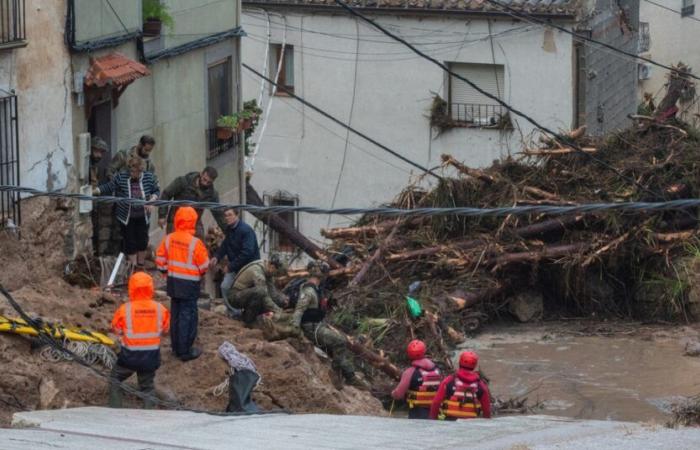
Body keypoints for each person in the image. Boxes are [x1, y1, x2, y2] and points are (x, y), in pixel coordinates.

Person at [274, 262, 364, 387]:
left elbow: (314, 307)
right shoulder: (309, 290)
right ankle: (337, 375)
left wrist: (327, 304)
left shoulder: (316, 289)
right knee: (340, 341)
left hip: (318, 325)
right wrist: (295, 330)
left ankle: (349, 374)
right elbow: (299, 310)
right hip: (311, 328)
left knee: (340, 342)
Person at [155, 206, 210, 361]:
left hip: (173, 282)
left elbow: (159, 261)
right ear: (193, 221)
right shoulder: (195, 243)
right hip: (190, 284)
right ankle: (185, 351)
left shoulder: (169, 238)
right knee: (188, 316)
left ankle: (175, 347)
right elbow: (204, 265)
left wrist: (166, 272)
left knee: (176, 315)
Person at [109, 272, 170, 409]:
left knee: (115, 379)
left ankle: (114, 413)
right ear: (150, 288)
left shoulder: (125, 309)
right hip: (150, 357)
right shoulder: (160, 309)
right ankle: (149, 417)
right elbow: (166, 330)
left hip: (129, 357)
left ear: (131, 288)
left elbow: (116, 329)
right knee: (147, 387)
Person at [94, 155, 160, 268]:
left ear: (140, 170)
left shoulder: (149, 177)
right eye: (131, 171)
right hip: (126, 217)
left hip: (143, 216)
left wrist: (151, 200)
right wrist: (96, 191)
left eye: (135, 172)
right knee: (130, 242)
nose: (132, 174)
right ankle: (133, 267)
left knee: (142, 241)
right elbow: (110, 186)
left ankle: (140, 264)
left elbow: (156, 190)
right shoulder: (122, 177)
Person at [157, 167, 226, 237]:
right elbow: (166, 194)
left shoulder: (212, 194)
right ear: (201, 174)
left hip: (195, 222)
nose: (205, 183)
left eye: (209, 182)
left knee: (200, 243)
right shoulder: (183, 182)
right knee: (175, 243)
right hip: (176, 220)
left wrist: (228, 231)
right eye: (204, 179)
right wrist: (162, 215)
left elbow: (218, 214)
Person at [210, 207, 260, 300]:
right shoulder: (230, 229)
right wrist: (216, 257)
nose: (227, 218)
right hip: (236, 266)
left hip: (248, 267)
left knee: (246, 292)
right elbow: (225, 245)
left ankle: (245, 312)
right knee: (225, 287)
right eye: (226, 216)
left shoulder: (246, 230)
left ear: (237, 215)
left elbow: (247, 252)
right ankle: (234, 313)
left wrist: (230, 266)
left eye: (230, 215)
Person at [430, 351, 492, 420]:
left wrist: (433, 421)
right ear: (474, 365)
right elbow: (487, 410)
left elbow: (436, 402)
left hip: (449, 423)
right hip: (471, 425)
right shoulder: (480, 385)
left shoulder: (449, 381)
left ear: (460, 362)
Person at [391, 340, 443, 419]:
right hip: (435, 412)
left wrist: (393, 394)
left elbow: (398, 394)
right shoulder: (437, 369)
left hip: (417, 413)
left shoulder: (409, 372)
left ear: (409, 354)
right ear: (424, 351)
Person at [224, 259, 286, 324]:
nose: (276, 276)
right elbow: (263, 293)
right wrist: (277, 310)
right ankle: (248, 321)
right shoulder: (257, 270)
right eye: (277, 273)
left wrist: (282, 300)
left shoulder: (268, 271)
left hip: (246, 294)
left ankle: (248, 317)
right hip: (234, 296)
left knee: (272, 300)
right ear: (272, 267)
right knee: (260, 293)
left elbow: (273, 293)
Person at [88, 137, 113, 256]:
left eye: (102, 152)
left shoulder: (94, 165)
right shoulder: (87, 165)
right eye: (97, 151)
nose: (99, 155)